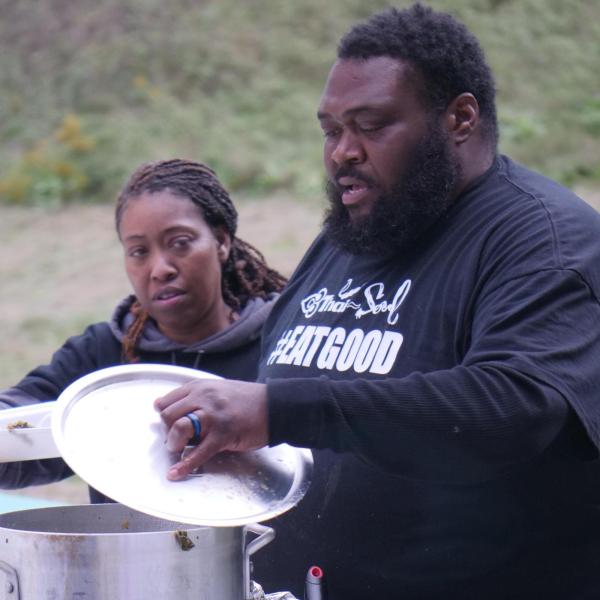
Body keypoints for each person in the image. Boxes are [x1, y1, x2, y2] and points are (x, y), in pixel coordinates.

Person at [154, 5, 600, 599]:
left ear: (459, 117)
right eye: (331, 130)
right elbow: (279, 383)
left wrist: (277, 410)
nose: (343, 152)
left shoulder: (540, 239)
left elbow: (513, 408)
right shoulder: (353, 235)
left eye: (371, 124)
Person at [0, 158, 286, 502]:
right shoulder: (101, 355)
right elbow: (22, 423)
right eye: (138, 251)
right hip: (130, 552)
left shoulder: (284, 343)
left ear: (221, 242)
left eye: (180, 243)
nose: (159, 268)